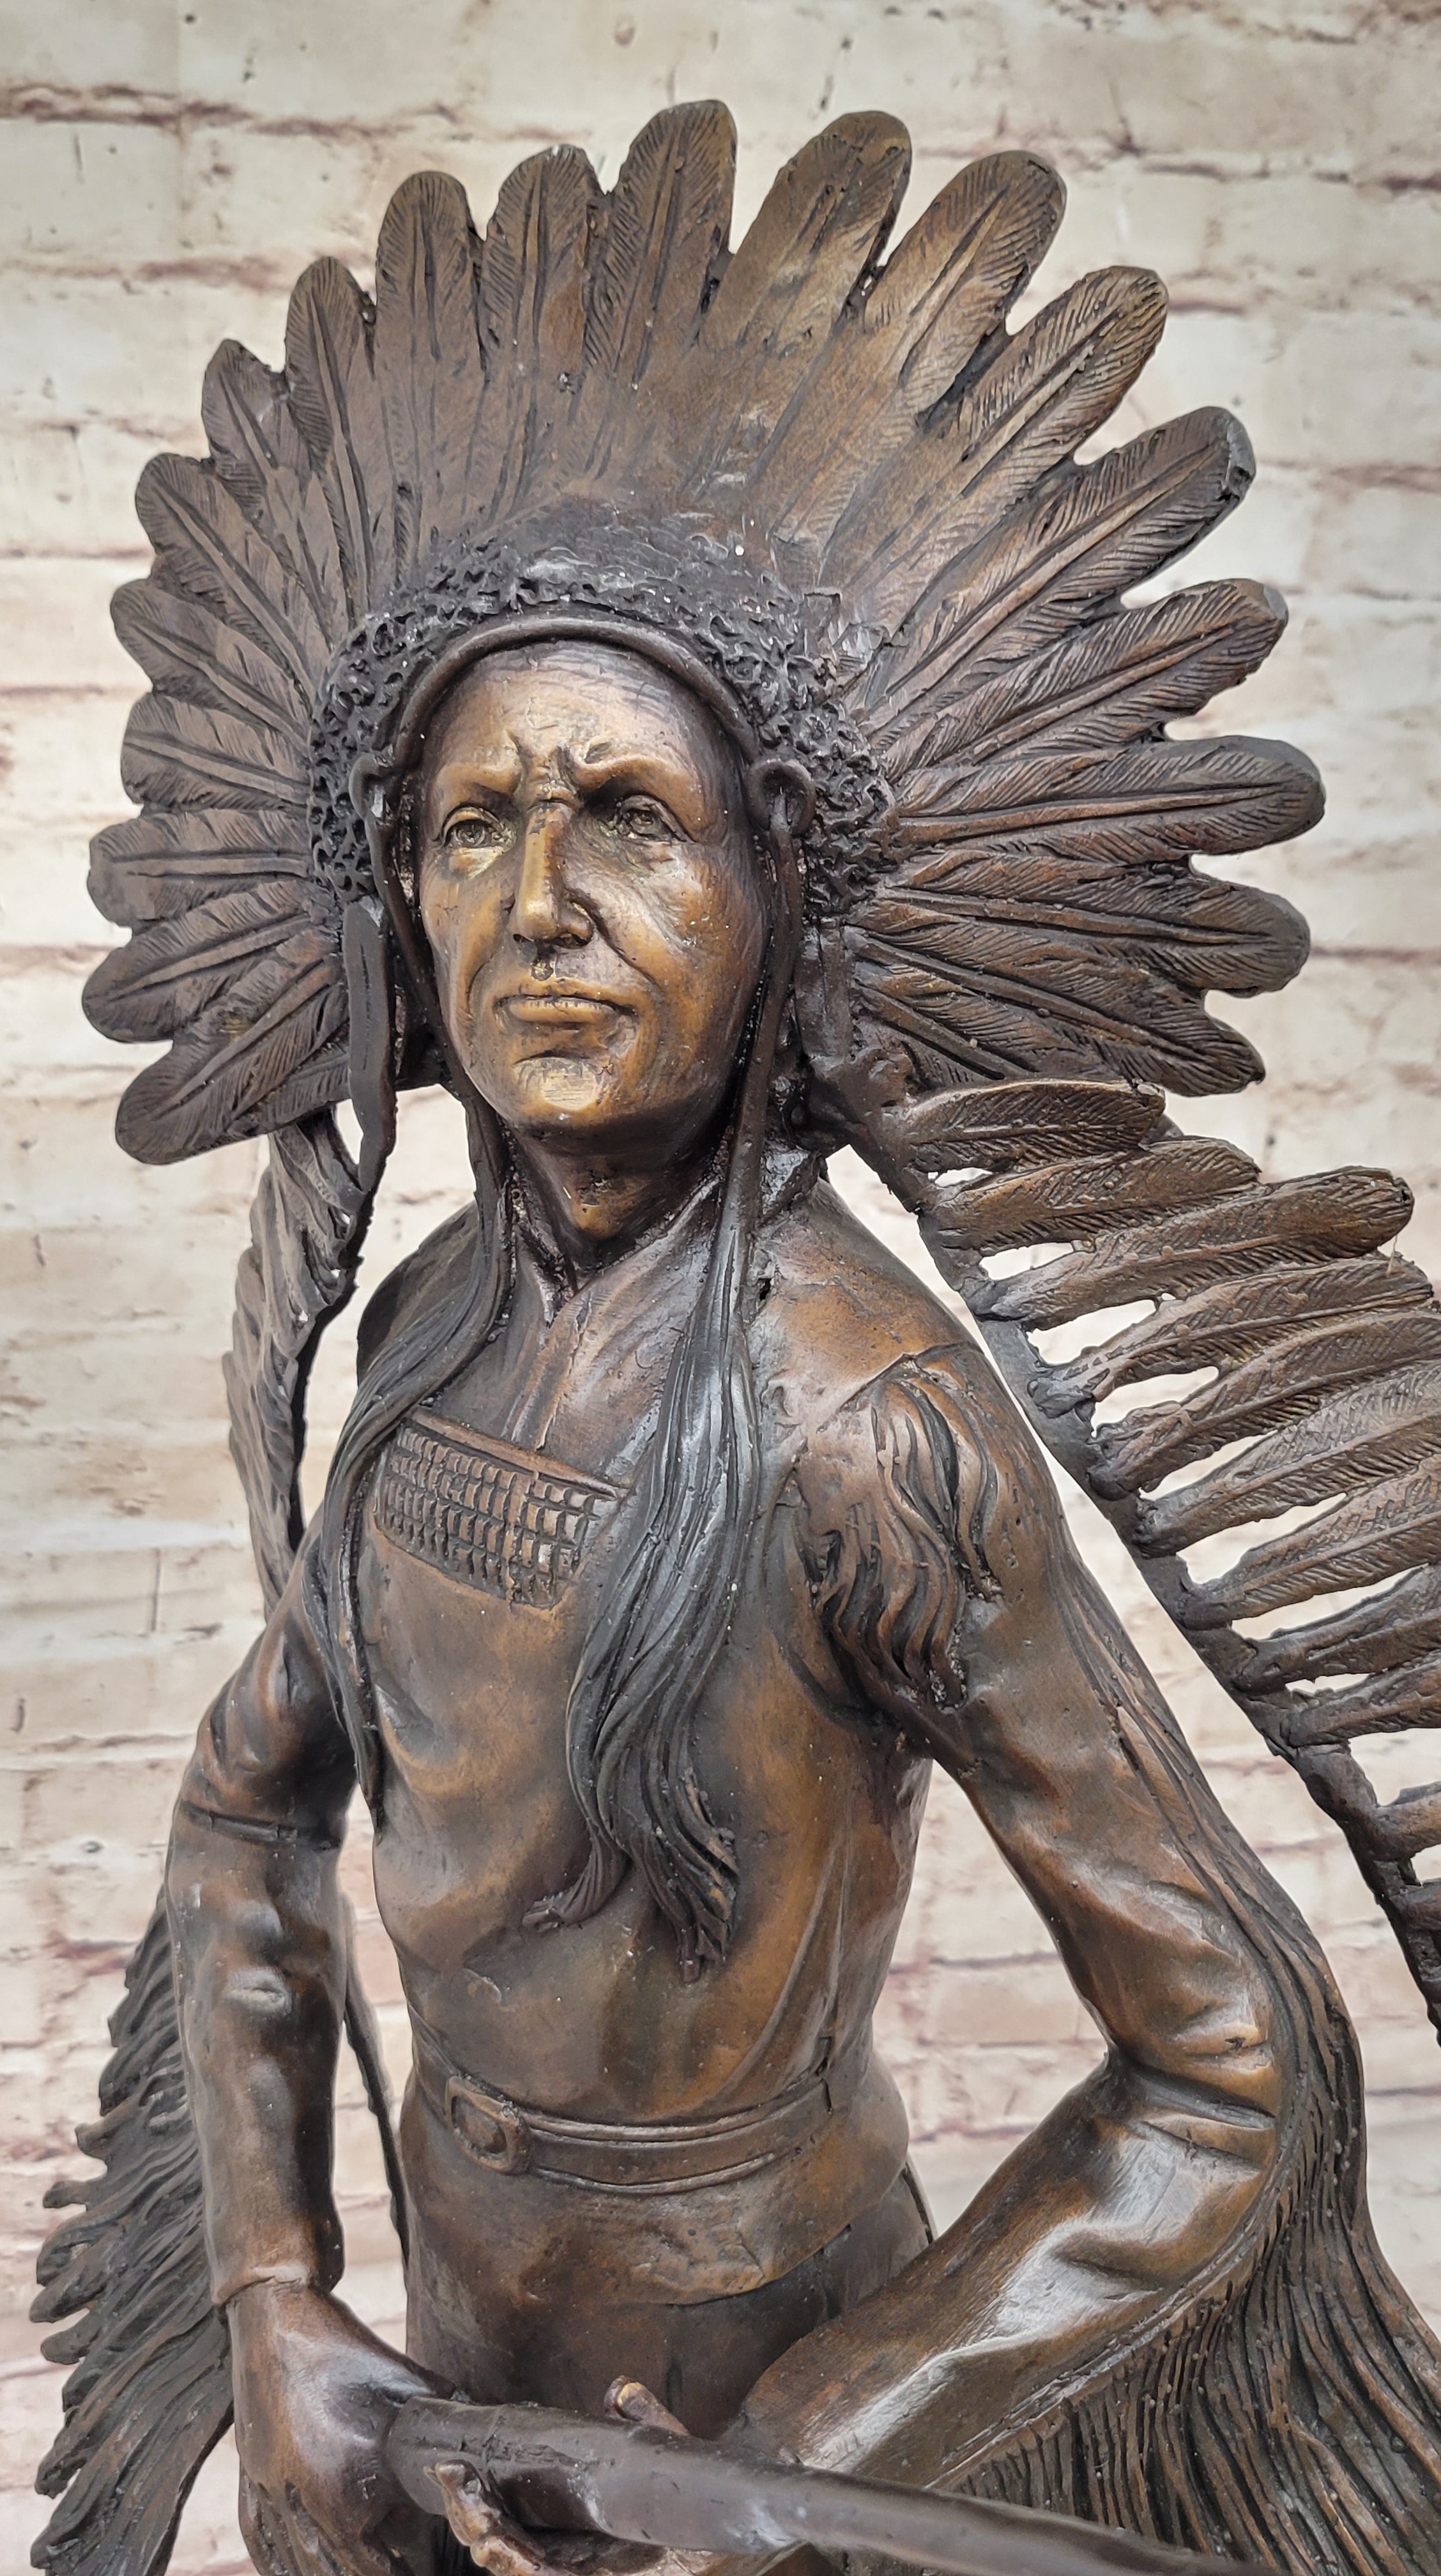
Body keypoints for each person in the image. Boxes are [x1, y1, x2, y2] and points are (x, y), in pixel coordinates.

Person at [169, 629, 1285, 2573]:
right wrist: (274, 2286)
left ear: (776, 884)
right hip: (443, 2368)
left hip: (770, 2387)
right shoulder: (427, 1331)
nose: (539, 907)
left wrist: (805, 2454)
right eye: (474, 829)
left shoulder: (867, 1422)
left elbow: (1231, 2059)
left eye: (628, 819)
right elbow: (247, 1805)